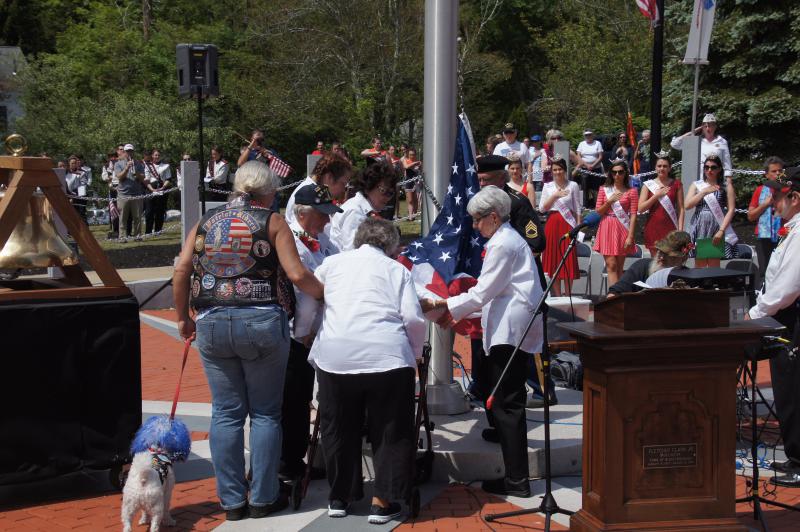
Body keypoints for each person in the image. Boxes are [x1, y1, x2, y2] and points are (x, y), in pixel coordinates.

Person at [172, 160, 324, 521]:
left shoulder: (205, 224)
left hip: (210, 319)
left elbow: (181, 269)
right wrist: (326, 293)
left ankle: (231, 502)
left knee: (225, 413)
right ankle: (263, 497)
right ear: (268, 191)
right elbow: (296, 273)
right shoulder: (272, 222)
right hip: (261, 320)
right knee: (267, 413)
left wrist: (181, 317)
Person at [428, 185, 543, 498]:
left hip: (511, 333)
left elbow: (483, 292)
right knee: (505, 403)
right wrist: (455, 313)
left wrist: (444, 307)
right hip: (507, 328)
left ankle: (517, 480)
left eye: (478, 220)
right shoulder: (504, 240)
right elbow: (490, 296)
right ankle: (515, 476)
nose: (476, 226)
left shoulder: (504, 244)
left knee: (508, 405)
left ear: (494, 216)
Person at [310, 217, 425, 524]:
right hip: (387, 356)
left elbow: (310, 305)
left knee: (337, 426)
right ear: (389, 246)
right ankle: (382, 500)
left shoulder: (331, 265)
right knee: (390, 429)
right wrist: (415, 355)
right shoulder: (396, 269)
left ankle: (339, 496)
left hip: (336, 355)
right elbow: (413, 319)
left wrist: (307, 336)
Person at [280, 184, 342, 481]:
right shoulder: (290, 239)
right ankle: (286, 464)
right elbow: (301, 289)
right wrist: (305, 331)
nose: (328, 221)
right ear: (303, 214)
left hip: (312, 335)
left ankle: (295, 458)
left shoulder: (321, 239)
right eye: (323, 215)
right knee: (290, 402)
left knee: (302, 399)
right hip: (294, 335)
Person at [747, 169, 800, 487]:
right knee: (785, 391)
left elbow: (787, 287)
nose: (773, 201)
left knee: (792, 392)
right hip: (783, 316)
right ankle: (795, 455)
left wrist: (755, 314)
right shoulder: (791, 230)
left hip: (790, 320)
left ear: (795, 198)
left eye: (779, 196)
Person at [329, 160, 396, 251]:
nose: (388, 198)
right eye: (384, 191)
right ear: (369, 186)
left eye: (391, 193)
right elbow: (352, 251)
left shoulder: (364, 209)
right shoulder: (355, 212)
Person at [684, 154, 738, 267]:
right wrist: (704, 192)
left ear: (719, 169)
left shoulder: (726, 186)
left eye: (713, 167)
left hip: (717, 226)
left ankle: (714, 284)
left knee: (714, 264)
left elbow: (731, 209)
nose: (709, 170)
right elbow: (687, 205)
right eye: (706, 167)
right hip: (699, 225)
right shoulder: (697, 185)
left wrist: (722, 230)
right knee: (700, 264)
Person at [539, 155, 581, 296]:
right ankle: (557, 296)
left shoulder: (573, 185)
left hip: (568, 224)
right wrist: (555, 196)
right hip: (552, 223)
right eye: (555, 170)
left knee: (568, 258)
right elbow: (542, 208)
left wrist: (579, 227)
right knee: (554, 260)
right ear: (551, 171)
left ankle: (568, 295)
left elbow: (577, 208)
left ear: (565, 170)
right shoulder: (548, 186)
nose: (557, 172)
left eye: (560, 169)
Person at [606, 230, 692, 297]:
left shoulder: (689, 278)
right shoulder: (641, 267)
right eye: (660, 251)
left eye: (668, 255)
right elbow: (614, 294)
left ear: (683, 259)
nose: (661, 257)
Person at [594, 160, 639, 287]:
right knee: (611, 264)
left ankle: (618, 297)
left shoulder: (632, 191)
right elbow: (598, 211)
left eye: (620, 172)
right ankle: (614, 296)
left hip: (622, 228)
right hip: (607, 225)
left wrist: (630, 236)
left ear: (625, 173)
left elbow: (634, 214)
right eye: (614, 172)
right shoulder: (604, 189)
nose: (617, 175)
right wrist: (609, 201)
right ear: (610, 174)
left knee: (619, 267)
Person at [285, 152, 353, 228]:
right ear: (329, 177)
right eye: (343, 183)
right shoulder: (304, 196)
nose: (344, 190)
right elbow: (299, 235)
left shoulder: (318, 193)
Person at [639, 153, 685, 257]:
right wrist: (656, 196)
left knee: (672, 262)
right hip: (653, 228)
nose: (662, 168)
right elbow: (641, 208)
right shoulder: (648, 185)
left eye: (665, 166)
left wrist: (680, 230)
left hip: (671, 229)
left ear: (669, 168)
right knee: (657, 263)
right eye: (659, 166)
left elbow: (681, 209)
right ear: (655, 168)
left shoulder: (677, 184)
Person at [748, 156, 786, 278]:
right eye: (774, 171)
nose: (778, 173)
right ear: (766, 175)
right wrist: (764, 205)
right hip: (764, 236)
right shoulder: (760, 190)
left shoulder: (788, 191)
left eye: (780, 171)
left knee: (782, 272)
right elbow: (751, 216)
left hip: (783, 235)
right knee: (765, 272)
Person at [670, 113, 733, 179]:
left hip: (716, 180)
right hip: (699, 180)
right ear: (702, 127)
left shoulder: (722, 141)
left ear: (715, 127)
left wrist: (728, 181)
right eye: (705, 126)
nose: (708, 129)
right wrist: (695, 131)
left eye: (710, 126)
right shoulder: (696, 141)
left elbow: (727, 164)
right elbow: (674, 144)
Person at [114, 143, 146, 241]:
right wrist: (127, 168)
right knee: (123, 217)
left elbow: (142, 178)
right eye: (127, 151)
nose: (129, 153)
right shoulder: (118, 164)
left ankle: (137, 236)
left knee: (137, 217)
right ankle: (122, 237)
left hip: (136, 194)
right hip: (123, 194)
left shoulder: (139, 164)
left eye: (131, 151)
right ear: (124, 152)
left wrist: (136, 172)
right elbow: (119, 177)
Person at [144, 149, 173, 234]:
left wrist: (163, 187)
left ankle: (158, 230)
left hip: (162, 188)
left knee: (160, 211)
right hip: (151, 189)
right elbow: (146, 180)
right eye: (155, 155)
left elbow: (168, 179)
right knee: (149, 211)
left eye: (158, 155)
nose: (157, 157)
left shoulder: (165, 166)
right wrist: (152, 189)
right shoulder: (147, 166)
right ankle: (148, 231)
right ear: (152, 156)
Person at [576, 130, 604, 207]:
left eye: (589, 134)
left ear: (592, 135)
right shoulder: (581, 144)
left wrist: (593, 165)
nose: (588, 136)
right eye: (586, 135)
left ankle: (597, 205)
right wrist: (586, 165)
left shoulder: (598, 143)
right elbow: (578, 156)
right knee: (584, 188)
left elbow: (600, 156)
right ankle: (584, 206)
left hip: (596, 168)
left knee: (596, 188)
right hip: (584, 169)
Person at [65, 155, 91, 221]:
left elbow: (82, 186)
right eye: (72, 163)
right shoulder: (64, 173)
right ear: (69, 164)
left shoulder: (81, 173)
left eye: (75, 163)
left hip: (77, 198)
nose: (74, 165)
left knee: (80, 215)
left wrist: (73, 196)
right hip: (66, 197)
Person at [401, 147, 422, 217]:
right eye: (410, 154)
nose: (412, 156)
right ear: (408, 154)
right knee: (410, 200)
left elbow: (421, 171)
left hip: (416, 182)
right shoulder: (405, 160)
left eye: (413, 154)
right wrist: (415, 163)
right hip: (408, 182)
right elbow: (406, 167)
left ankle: (414, 214)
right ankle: (410, 216)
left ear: (415, 154)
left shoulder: (418, 162)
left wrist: (420, 166)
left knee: (416, 199)